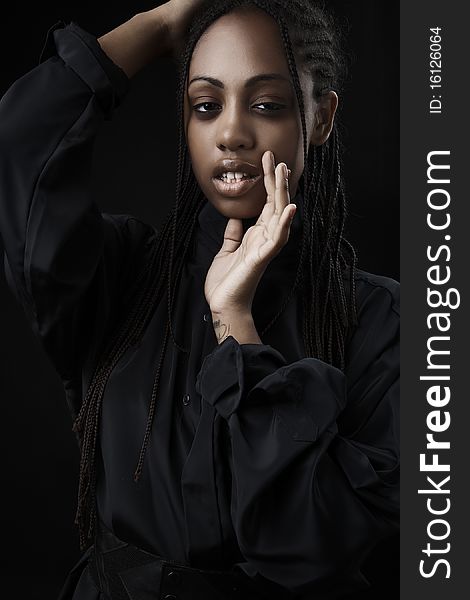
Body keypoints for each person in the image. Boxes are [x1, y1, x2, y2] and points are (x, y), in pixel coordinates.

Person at [0, 0, 399, 598]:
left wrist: (235, 323)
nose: (232, 133)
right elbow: (21, 145)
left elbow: (312, 542)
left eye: (266, 104)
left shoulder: (381, 323)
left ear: (321, 117)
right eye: (205, 106)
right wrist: (160, 25)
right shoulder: (119, 279)